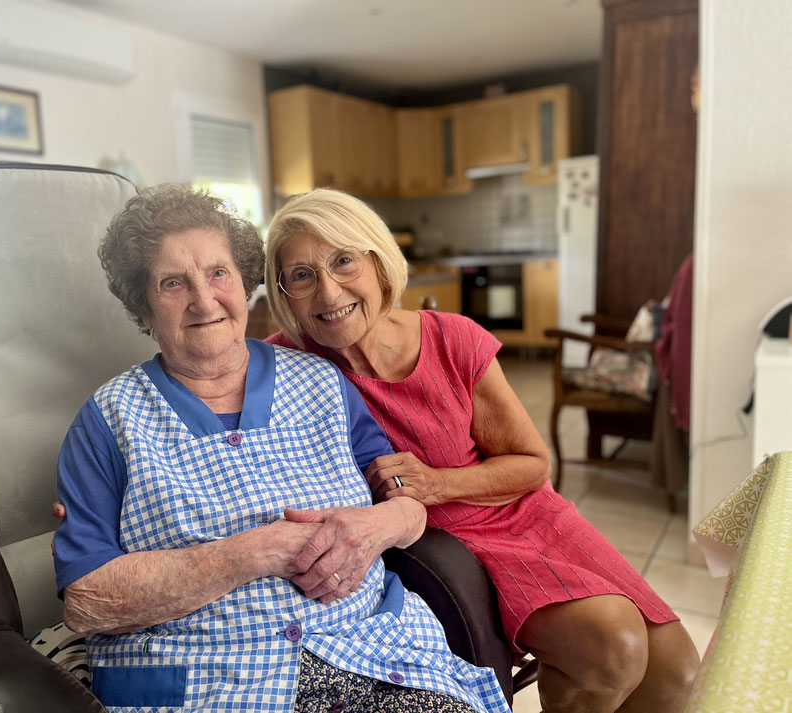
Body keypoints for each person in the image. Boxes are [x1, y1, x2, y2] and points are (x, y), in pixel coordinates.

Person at [53, 184, 509, 713]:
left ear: (244, 282)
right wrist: (259, 550)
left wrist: (380, 525)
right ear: (144, 304)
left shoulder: (322, 381)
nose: (204, 300)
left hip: (366, 653)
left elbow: (404, 498)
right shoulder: (108, 420)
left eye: (218, 273)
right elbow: (88, 603)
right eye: (173, 283)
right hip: (210, 679)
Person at [264, 189, 700, 713]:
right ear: (283, 292)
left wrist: (434, 482)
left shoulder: (454, 339)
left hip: (527, 512)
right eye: (303, 275)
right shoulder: (282, 367)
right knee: (614, 648)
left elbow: (534, 464)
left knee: (678, 675)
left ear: (377, 262)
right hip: (455, 542)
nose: (329, 292)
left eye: (343, 261)